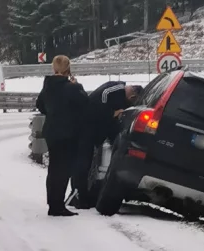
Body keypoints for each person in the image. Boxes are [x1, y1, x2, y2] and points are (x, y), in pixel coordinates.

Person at [68, 81, 144, 209]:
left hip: (92, 134)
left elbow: (110, 125)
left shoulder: (119, 98)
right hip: (85, 130)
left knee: (87, 165)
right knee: (82, 164)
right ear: (132, 97)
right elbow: (96, 106)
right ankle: (77, 196)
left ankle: (82, 196)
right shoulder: (113, 90)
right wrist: (111, 113)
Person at [36, 55, 88, 216]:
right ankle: (57, 206)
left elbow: (40, 105)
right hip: (67, 133)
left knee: (53, 168)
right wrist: (78, 85)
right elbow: (85, 104)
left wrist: (53, 114)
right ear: (68, 69)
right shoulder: (71, 87)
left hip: (52, 131)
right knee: (63, 170)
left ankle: (53, 202)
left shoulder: (48, 86)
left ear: (53, 68)